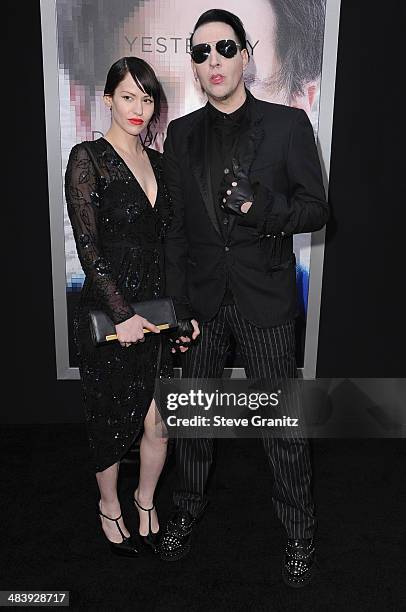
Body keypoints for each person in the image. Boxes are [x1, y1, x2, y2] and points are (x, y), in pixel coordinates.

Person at [158, 9, 329, 587]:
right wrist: (179, 305)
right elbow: (177, 229)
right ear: (195, 64)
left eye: (225, 48)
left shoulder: (287, 125)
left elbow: (316, 209)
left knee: (281, 426)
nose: (214, 62)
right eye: (202, 52)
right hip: (204, 305)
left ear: (246, 55)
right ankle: (186, 511)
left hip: (266, 301)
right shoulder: (180, 135)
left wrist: (264, 209)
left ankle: (300, 534)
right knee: (194, 423)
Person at [65, 56, 181, 556]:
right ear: (108, 98)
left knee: (159, 419)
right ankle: (109, 506)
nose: (138, 108)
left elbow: (173, 244)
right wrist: (121, 313)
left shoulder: (162, 163)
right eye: (128, 96)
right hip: (113, 312)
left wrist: (183, 312)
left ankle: (146, 498)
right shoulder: (87, 157)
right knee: (110, 418)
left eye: (147, 97)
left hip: (157, 309)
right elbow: (88, 247)